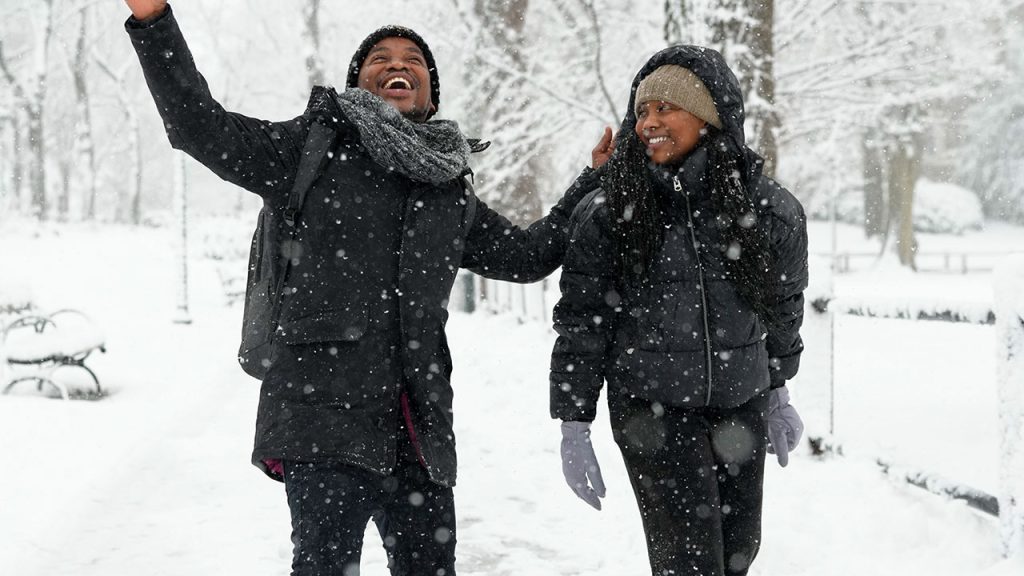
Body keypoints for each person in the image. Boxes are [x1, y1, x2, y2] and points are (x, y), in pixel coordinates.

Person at [123, 2, 596, 574]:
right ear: (358, 81)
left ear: (430, 92)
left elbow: (528, 256)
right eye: (380, 58)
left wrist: (591, 182)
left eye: (414, 60)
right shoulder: (310, 149)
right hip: (322, 422)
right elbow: (199, 126)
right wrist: (153, 22)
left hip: (417, 432)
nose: (398, 65)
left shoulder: (448, 187)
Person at [549, 45, 808, 576]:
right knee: (690, 563)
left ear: (709, 113)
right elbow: (582, 323)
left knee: (739, 553)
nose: (650, 122)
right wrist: (574, 423)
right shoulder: (613, 212)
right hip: (652, 410)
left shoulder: (768, 208)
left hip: (741, 399)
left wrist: (779, 386)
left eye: (667, 107)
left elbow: (782, 306)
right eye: (643, 111)